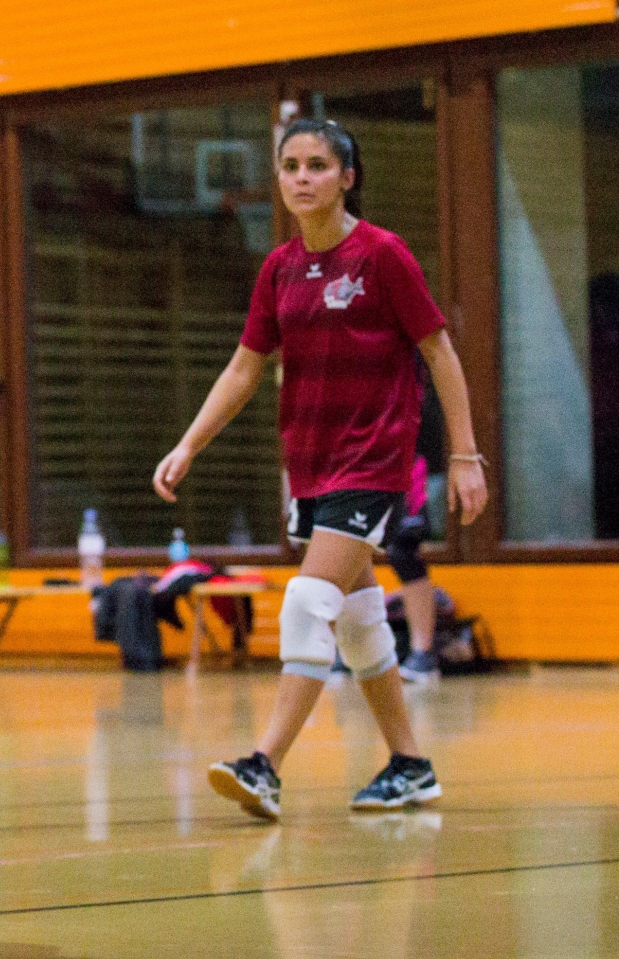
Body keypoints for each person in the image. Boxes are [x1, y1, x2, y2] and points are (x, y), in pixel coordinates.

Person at [153, 118, 487, 820]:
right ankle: (409, 764)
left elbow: (440, 353)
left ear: (347, 177)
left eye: (317, 165)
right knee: (362, 620)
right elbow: (247, 367)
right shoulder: (279, 269)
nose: (302, 177)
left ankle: (264, 763)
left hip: (374, 459)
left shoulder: (382, 256)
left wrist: (463, 455)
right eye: (291, 166)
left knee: (308, 603)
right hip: (310, 465)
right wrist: (189, 443)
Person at [391, 375, 448, 684]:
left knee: (403, 550)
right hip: (366, 458)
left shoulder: (414, 360)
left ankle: (422, 652)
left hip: (409, 460)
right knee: (350, 547)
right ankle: (348, 651)